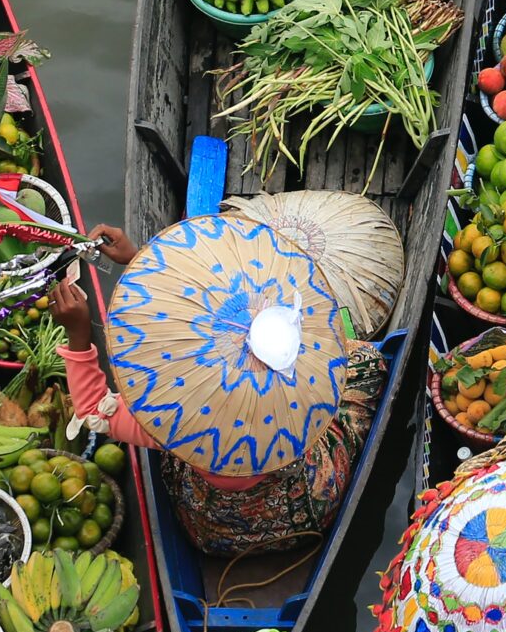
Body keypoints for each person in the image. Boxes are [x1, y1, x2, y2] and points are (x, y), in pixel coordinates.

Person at [51, 225, 387, 556]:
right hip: (309, 513)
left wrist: (80, 335)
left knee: (171, 441)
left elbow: (94, 410)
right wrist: (140, 258)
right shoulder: (300, 382)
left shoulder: (180, 417)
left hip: (211, 533)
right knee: (365, 358)